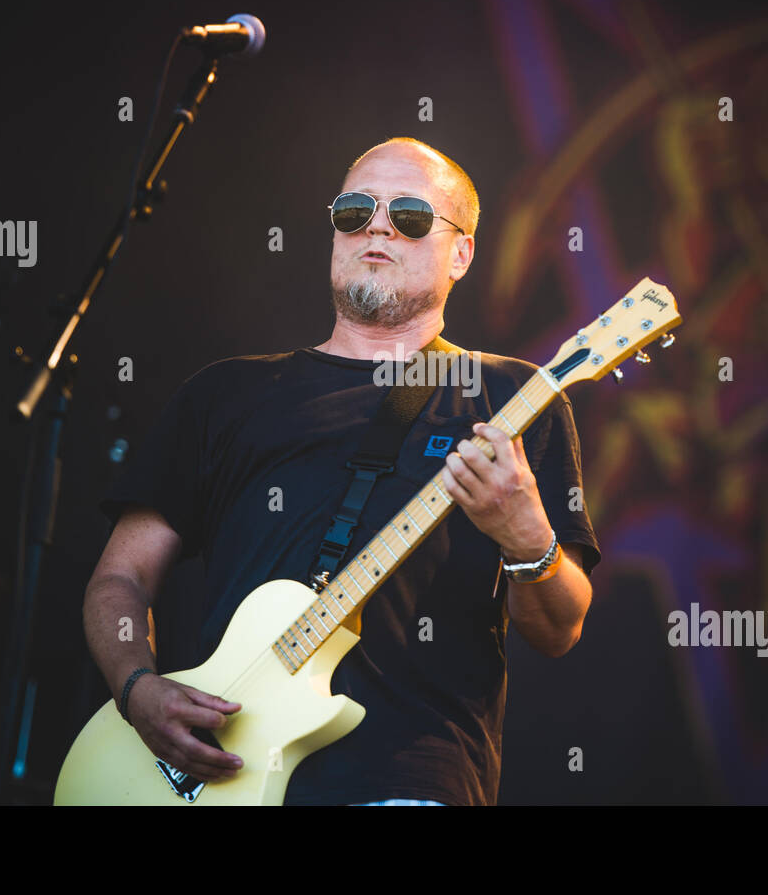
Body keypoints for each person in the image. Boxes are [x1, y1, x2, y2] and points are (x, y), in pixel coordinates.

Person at [83, 137, 601, 805]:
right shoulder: (226, 394)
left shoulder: (513, 397)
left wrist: (529, 538)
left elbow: (559, 628)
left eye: (411, 215)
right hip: (221, 776)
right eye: (356, 210)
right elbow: (119, 576)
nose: (377, 225)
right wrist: (136, 688)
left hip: (406, 778)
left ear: (462, 252)